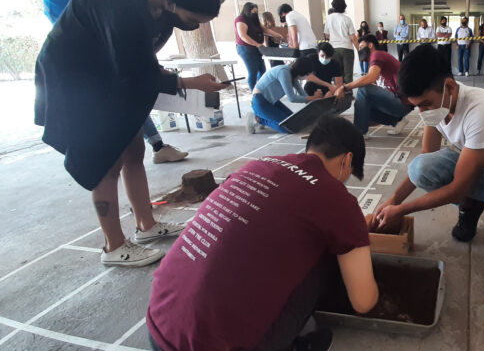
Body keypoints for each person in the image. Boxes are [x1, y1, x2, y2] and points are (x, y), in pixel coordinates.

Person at [35, 0, 229, 266]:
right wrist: (188, 82)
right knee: (105, 161)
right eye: (192, 19)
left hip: (112, 78)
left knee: (134, 149)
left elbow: (142, 61)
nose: (189, 26)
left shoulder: (160, 9)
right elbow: (133, 70)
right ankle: (114, 246)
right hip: (79, 82)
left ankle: (146, 225)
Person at [147, 115, 379, 351]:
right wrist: (355, 237)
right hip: (219, 345)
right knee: (325, 256)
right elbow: (364, 302)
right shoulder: (337, 199)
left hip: (158, 326)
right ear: (347, 161)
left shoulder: (256, 165)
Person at [372, 44, 484, 319]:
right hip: (475, 167)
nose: (422, 112)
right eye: (416, 107)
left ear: (449, 86)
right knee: (422, 167)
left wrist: (402, 210)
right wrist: (391, 201)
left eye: (425, 104)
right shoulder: (436, 107)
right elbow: (426, 161)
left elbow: (457, 186)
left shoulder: (481, 109)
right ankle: (471, 205)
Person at [36, 0, 188, 164]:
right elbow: (90, 26)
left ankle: (157, 145)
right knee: (110, 162)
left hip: (111, 63)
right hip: (93, 73)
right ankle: (157, 145)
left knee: (133, 138)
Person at [334, 35, 413, 137]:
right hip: (400, 104)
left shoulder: (377, 55)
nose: (360, 51)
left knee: (364, 89)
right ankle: (397, 121)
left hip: (403, 102)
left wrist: (344, 87)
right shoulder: (375, 62)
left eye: (362, 47)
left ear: (370, 45)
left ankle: (359, 133)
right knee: (363, 106)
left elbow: (370, 78)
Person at [247, 57, 324, 134]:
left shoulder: (293, 75)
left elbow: (303, 94)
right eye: (307, 74)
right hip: (260, 101)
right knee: (289, 128)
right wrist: (314, 97)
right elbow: (292, 98)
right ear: (301, 71)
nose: (307, 77)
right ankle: (258, 119)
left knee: (295, 121)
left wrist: (317, 103)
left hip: (272, 102)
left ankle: (264, 116)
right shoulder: (284, 72)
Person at [235, 2, 283, 90]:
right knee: (252, 71)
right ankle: (254, 93)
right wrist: (257, 44)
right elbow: (243, 35)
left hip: (257, 48)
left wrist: (278, 35)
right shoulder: (241, 19)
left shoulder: (255, 20)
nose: (255, 14)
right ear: (247, 11)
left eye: (256, 12)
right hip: (246, 48)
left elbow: (265, 30)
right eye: (253, 12)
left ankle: (260, 90)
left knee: (262, 70)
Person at [323, 0, 357, 86]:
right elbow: (353, 37)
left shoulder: (329, 18)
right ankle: (349, 94)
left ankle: (338, 94)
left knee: (337, 73)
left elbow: (327, 35)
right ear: (344, 6)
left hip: (333, 49)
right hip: (347, 49)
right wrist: (359, 50)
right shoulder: (347, 19)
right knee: (348, 74)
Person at [304, 42, 344, 111]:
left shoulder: (335, 63)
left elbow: (339, 83)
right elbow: (309, 77)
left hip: (327, 88)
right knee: (309, 91)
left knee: (333, 96)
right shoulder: (311, 58)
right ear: (318, 53)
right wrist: (328, 85)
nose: (325, 58)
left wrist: (331, 92)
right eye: (322, 56)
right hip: (312, 85)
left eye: (328, 57)